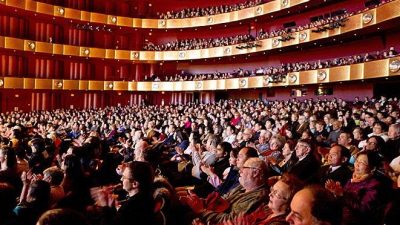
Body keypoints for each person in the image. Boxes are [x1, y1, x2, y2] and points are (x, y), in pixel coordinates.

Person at [325, 151, 390, 225]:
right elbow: (344, 201)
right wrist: (335, 192)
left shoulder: (374, 184)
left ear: (373, 168)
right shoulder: (353, 179)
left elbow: (364, 208)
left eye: (362, 163)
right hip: (340, 217)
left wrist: (342, 194)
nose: (357, 164)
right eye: (357, 161)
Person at [95, 161, 155, 225]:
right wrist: (111, 207)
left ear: (135, 184)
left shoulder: (130, 207)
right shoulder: (147, 196)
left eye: (124, 177)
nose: (121, 179)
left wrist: (104, 207)